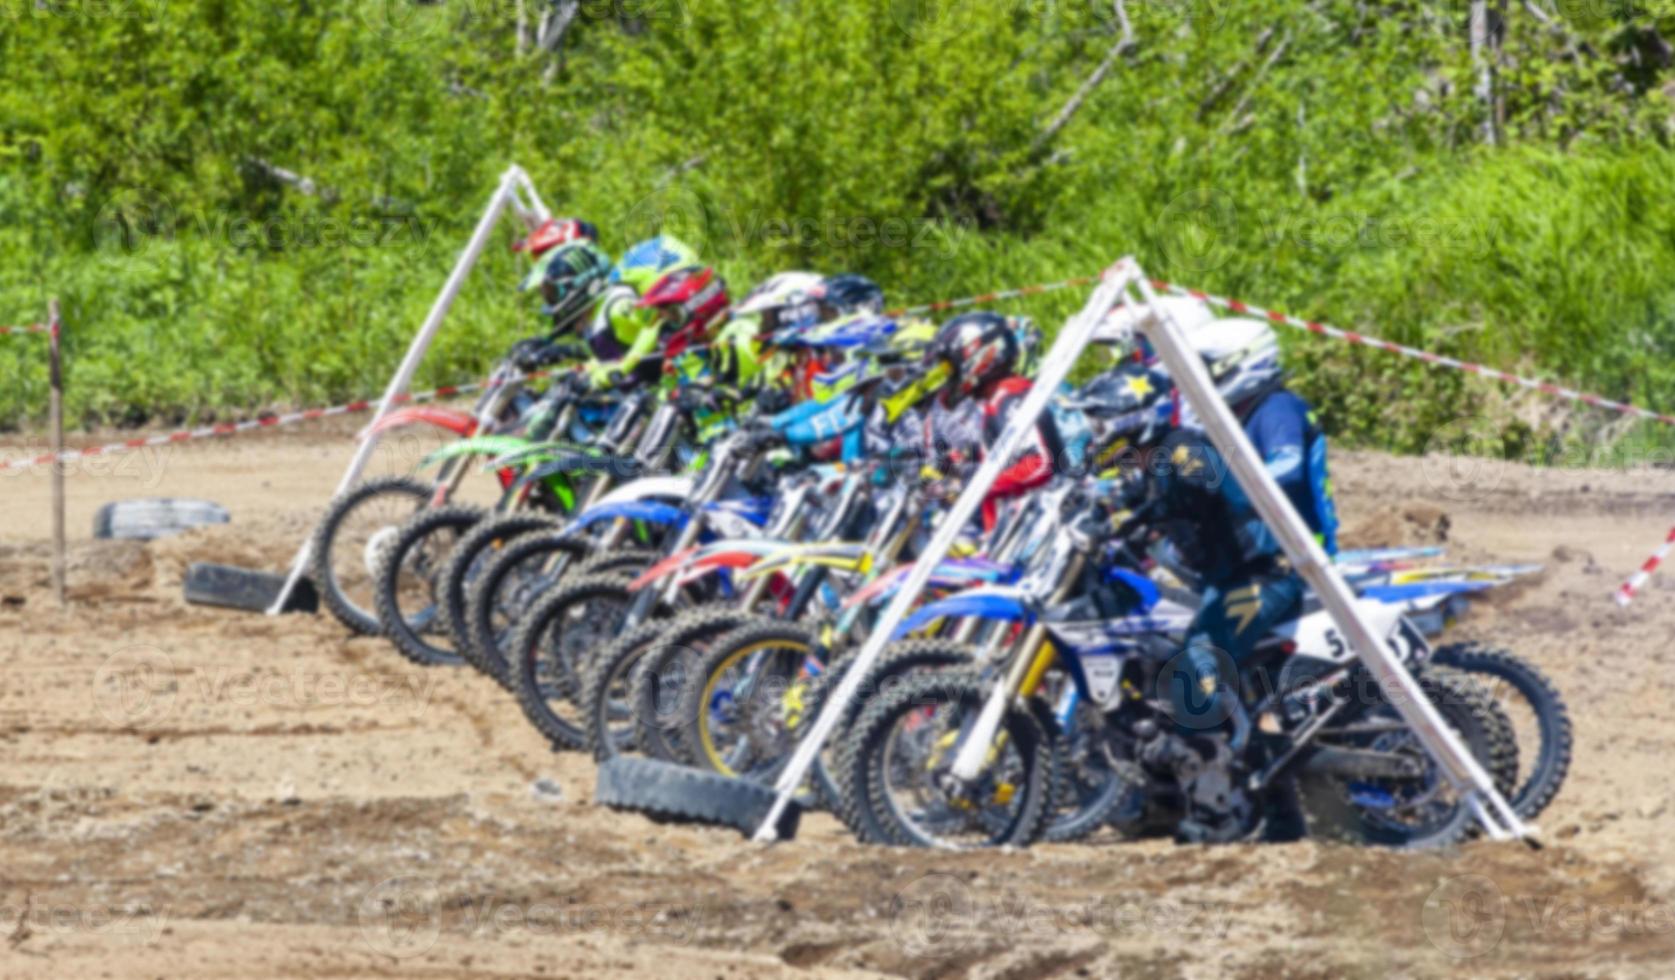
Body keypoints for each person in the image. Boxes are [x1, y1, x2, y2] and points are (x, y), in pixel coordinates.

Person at [1138, 316, 1340, 733]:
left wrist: (1224, 477)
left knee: (1205, 648)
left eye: (1210, 368)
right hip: (1255, 557)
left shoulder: (1276, 407)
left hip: (1288, 562)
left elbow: (1287, 469)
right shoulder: (1237, 417)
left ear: (1242, 364)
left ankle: (1223, 753)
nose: (1203, 379)